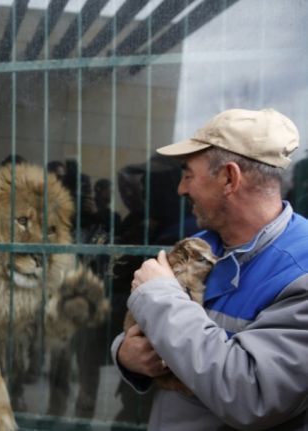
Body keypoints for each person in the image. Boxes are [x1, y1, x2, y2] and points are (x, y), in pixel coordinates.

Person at [111, 108, 308, 430]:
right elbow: (164, 334)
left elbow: (252, 394)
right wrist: (125, 354)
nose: (181, 189)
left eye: (188, 175)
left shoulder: (301, 273)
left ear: (230, 178)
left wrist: (159, 297)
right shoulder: (201, 246)